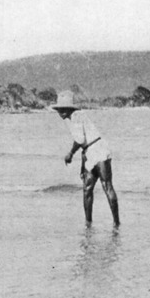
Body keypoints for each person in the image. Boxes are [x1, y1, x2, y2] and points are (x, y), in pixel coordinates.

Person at [52, 90, 120, 226]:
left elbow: (80, 139)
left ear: (69, 108)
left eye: (63, 109)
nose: (61, 112)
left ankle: (115, 223)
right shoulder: (72, 118)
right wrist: (83, 165)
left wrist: (70, 154)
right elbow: (84, 144)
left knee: (106, 186)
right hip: (89, 152)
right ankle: (89, 224)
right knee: (87, 188)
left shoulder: (76, 116)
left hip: (99, 150)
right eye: (59, 109)